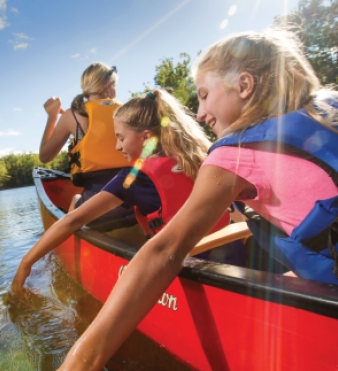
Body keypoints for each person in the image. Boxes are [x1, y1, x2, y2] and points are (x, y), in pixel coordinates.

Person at [46, 28, 338, 371]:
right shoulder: (327, 104)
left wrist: (79, 363)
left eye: (204, 94)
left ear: (244, 87)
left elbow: (162, 252)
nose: (199, 113)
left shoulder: (236, 153)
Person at [12, 88, 234, 295]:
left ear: (146, 137)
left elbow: (72, 221)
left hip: (191, 272)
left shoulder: (134, 179)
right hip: (233, 257)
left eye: (120, 138)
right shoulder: (199, 159)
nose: (118, 147)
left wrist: (26, 262)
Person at [39, 62, 135, 231]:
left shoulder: (72, 116)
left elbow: (45, 156)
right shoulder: (129, 111)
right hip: (137, 201)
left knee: (76, 199)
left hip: (97, 209)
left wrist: (52, 116)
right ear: (108, 87)